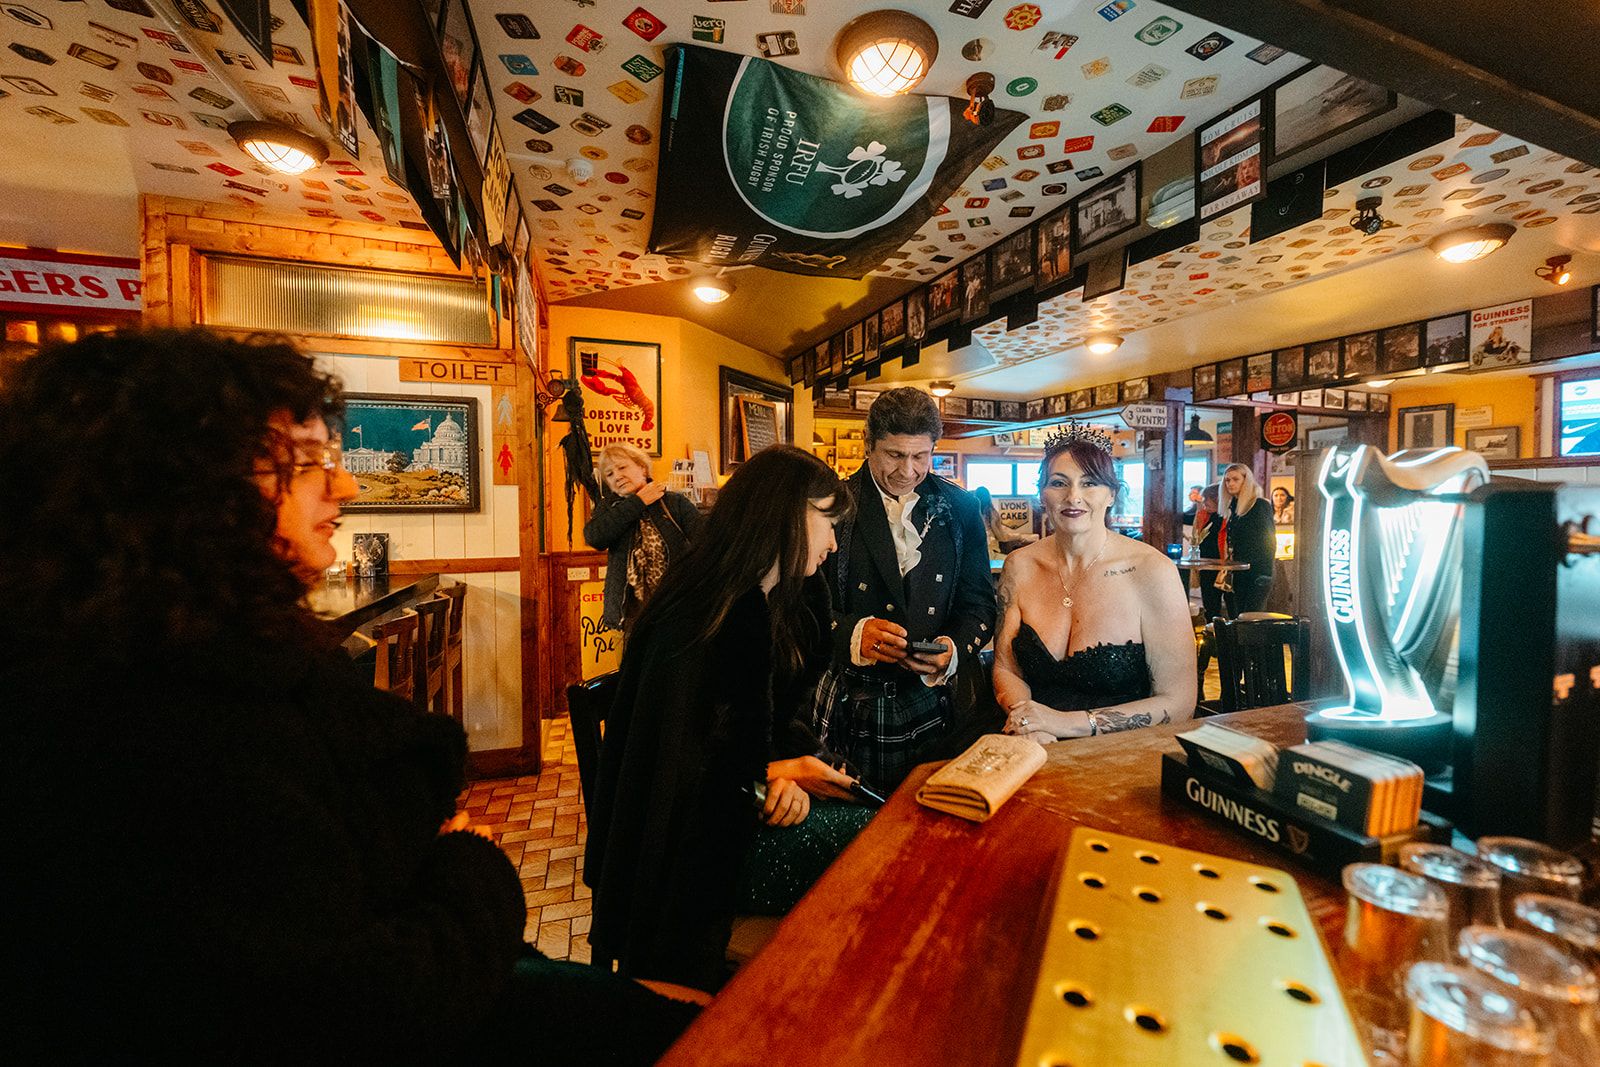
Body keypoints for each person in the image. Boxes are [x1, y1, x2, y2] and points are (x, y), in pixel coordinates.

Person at [0, 329, 695, 1061]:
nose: (346, 486)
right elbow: (363, 1005)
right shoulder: (170, 733)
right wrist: (469, 861)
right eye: (307, 462)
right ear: (180, 490)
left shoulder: (156, 671)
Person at [587, 446, 872, 992]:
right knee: (869, 852)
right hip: (685, 871)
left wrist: (784, 774)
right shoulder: (702, 618)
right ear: (784, 515)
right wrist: (778, 775)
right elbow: (682, 784)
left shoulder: (766, 599)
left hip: (728, 827)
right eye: (828, 523)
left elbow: (755, 736)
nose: (834, 544)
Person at [812, 388, 998, 792]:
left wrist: (953, 648)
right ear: (868, 445)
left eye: (920, 456)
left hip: (933, 703)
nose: (908, 471)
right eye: (895, 455)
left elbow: (980, 603)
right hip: (850, 700)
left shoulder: (962, 507)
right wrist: (851, 634)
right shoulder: (833, 505)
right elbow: (798, 604)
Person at [994, 426, 1197, 744]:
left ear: (1112, 494)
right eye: (1058, 483)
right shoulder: (1019, 565)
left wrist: (1065, 724)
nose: (1073, 496)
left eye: (1089, 483)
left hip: (1123, 752)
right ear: (1042, 494)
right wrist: (1028, 720)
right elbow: (1006, 667)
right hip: (1032, 743)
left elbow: (1180, 703)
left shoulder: (1152, 570)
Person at [585, 441, 703, 632]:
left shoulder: (674, 502)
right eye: (610, 474)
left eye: (622, 467)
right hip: (628, 619)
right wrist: (639, 502)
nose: (617, 476)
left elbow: (705, 542)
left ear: (642, 468)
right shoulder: (609, 508)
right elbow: (595, 537)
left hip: (675, 612)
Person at [1220, 462, 1278, 615]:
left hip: (1257, 571)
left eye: (1235, 479)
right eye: (1227, 480)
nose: (1230, 484)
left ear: (1246, 481)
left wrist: (1265, 574)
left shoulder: (1259, 505)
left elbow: (1269, 542)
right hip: (1239, 570)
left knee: (1251, 617)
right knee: (1238, 616)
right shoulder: (1233, 507)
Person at [1194, 482, 1225, 620]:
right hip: (1206, 565)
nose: (1204, 501)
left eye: (1207, 498)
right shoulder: (1204, 515)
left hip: (1224, 566)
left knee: (1230, 602)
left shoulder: (1228, 517)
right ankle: (1211, 629)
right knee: (1210, 604)